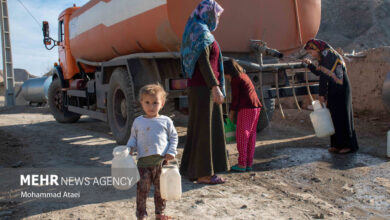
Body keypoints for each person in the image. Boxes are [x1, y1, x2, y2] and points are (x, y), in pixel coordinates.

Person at [179, 0, 229, 184]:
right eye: (216, 14)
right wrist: (215, 87)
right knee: (204, 130)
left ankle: (193, 171)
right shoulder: (200, 31)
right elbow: (204, 62)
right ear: (208, 12)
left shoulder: (197, 28)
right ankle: (204, 174)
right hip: (204, 88)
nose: (217, 18)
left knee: (199, 128)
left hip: (201, 87)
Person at [127, 84, 178, 220]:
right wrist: (129, 148)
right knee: (142, 190)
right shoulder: (138, 122)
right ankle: (141, 214)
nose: (151, 106)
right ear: (141, 103)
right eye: (147, 102)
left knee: (161, 190)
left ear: (162, 104)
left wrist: (172, 151)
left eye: (155, 102)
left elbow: (174, 137)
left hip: (161, 163)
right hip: (143, 164)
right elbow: (133, 138)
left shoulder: (166, 121)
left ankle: (159, 213)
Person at [303, 39, 359, 154]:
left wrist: (321, 95)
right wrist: (310, 65)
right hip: (334, 87)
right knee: (333, 115)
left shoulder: (328, 55)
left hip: (341, 87)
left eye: (311, 52)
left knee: (342, 116)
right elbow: (320, 72)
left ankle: (348, 145)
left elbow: (323, 76)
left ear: (317, 49)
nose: (311, 54)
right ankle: (337, 144)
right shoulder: (324, 56)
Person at [224, 59, 262, 172]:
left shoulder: (236, 79)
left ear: (228, 72)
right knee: (251, 135)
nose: (225, 76)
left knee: (242, 135)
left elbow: (235, 99)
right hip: (256, 107)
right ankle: (248, 163)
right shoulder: (243, 75)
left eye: (225, 74)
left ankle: (241, 164)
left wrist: (231, 114)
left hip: (246, 108)